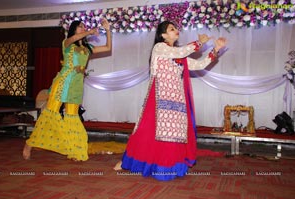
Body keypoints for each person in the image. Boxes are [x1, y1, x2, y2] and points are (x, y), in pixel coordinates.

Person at [114, 21, 227, 180]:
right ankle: (131, 162)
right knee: (148, 132)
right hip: (159, 100)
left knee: (174, 134)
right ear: (163, 35)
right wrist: (199, 42)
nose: (176, 31)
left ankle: (170, 166)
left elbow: (200, 64)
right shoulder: (160, 48)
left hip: (177, 102)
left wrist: (215, 49)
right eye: (171, 29)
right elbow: (181, 52)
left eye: (176, 28)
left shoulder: (179, 56)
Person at [23, 18, 112, 161]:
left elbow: (108, 48)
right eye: (80, 27)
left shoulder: (87, 48)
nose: (83, 28)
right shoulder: (67, 43)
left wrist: (108, 30)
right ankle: (30, 143)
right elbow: (76, 38)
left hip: (77, 86)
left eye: (84, 26)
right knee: (50, 113)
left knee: (72, 116)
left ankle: (74, 149)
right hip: (63, 83)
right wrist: (90, 31)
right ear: (73, 30)